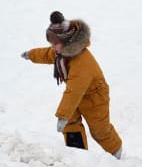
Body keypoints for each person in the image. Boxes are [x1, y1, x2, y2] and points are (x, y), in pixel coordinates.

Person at [21, 11, 123, 159]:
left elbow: (73, 92)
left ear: (67, 42)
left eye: (55, 44)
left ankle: (116, 152)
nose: (53, 47)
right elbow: (47, 54)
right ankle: (77, 153)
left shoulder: (81, 63)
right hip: (78, 94)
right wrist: (31, 54)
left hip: (95, 96)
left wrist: (62, 115)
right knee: (70, 123)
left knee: (99, 129)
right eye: (52, 44)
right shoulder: (62, 52)